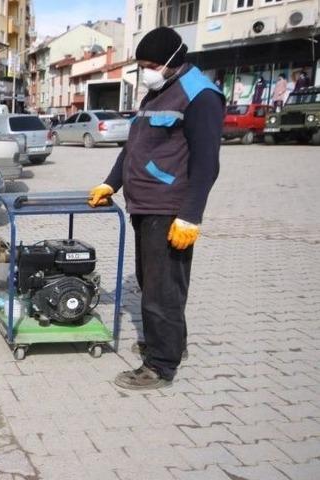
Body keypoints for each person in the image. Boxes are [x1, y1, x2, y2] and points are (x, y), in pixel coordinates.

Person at [88, 26, 224, 390]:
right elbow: (133, 146)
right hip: (144, 206)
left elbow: (207, 164)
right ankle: (169, 343)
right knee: (153, 284)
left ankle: (160, 366)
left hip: (169, 209)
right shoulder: (158, 92)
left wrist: (190, 215)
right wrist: (110, 183)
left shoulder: (200, 96)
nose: (145, 72)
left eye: (150, 65)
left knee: (163, 291)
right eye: (142, 66)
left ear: (171, 61)